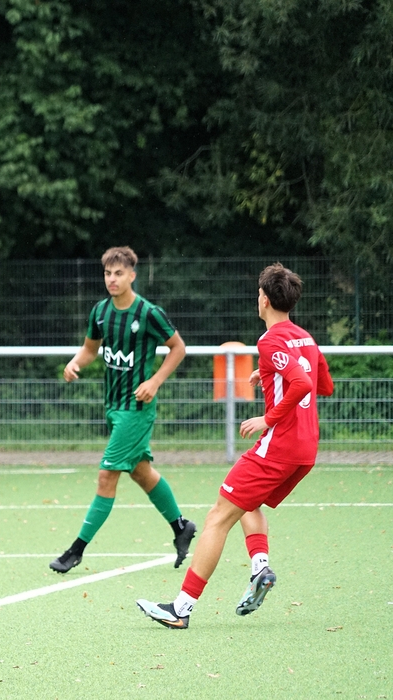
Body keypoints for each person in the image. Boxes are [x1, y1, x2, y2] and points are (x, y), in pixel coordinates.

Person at [136, 263, 333, 628]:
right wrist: (268, 372)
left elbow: (303, 384)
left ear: (264, 299)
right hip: (306, 449)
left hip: (279, 445)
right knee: (247, 501)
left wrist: (268, 418)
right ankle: (260, 568)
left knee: (217, 516)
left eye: (258, 294)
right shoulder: (304, 338)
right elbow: (324, 385)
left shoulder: (270, 340)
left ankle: (181, 609)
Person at [50, 246, 195, 574]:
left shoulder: (148, 313)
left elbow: (178, 348)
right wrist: (74, 363)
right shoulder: (100, 312)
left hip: (137, 408)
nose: (112, 279)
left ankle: (76, 551)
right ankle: (181, 526)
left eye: (118, 273)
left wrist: (155, 381)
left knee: (107, 476)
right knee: (141, 472)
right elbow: (90, 349)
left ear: (132, 275)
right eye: (107, 273)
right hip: (113, 406)